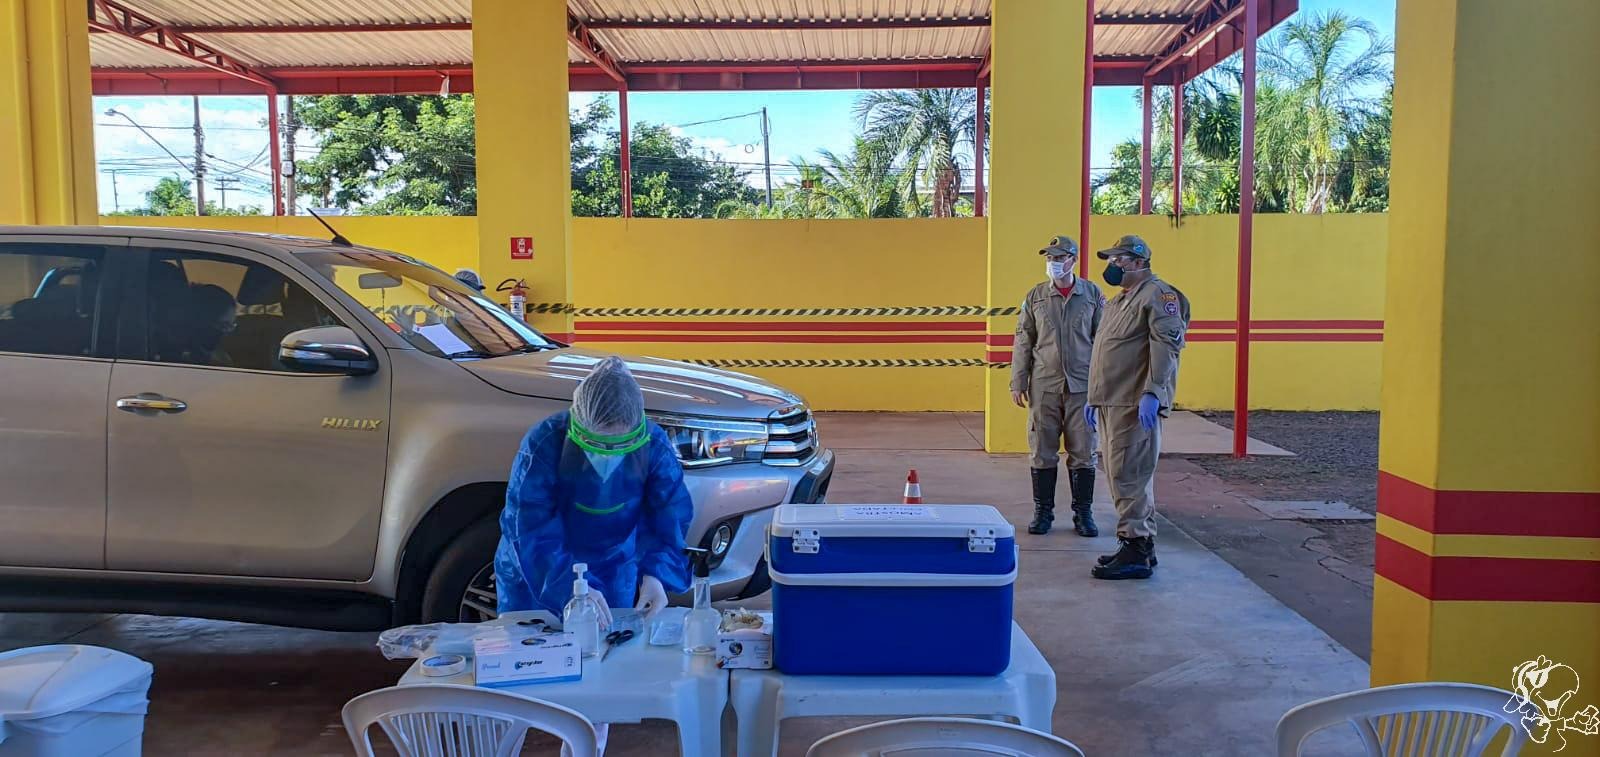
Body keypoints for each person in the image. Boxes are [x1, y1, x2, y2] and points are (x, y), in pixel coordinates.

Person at [494, 356, 693, 622]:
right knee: (533, 654)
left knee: (607, 649)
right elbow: (530, 527)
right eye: (595, 443)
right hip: (538, 570)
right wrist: (568, 586)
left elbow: (670, 517)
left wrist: (657, 574)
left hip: (613, 567)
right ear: (577, 425)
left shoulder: (653, 445)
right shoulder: (544, 443)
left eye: (619, 444)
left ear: (636, 431)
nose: (607, 453)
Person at [1085, 235, 1190, 580]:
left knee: (1130, 475)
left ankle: (1136, 548)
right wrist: (1093, 396)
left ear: (1137, 262)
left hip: (1134, 402)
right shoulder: (1121, 300)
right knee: (1120, 474)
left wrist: (1154, 392)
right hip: (1112, 400)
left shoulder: (1159, 295)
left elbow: (1167, 346)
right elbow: (1106, 351)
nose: (1112, 266)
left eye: (1118, 260)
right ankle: (1137, 544)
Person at [1011, 234, 1105, 537]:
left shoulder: (1091, 294)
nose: (1053, 263)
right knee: (1042, 450)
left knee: (1084, 450)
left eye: (1059, 257)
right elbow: (1024, 340)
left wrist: (1103, 386)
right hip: (1044, 386)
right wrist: (1018, 380)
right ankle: (1043, 512)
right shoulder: (1036, 296)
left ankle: (1083, 514)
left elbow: (1103, 343)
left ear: (1073, 260)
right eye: (1049, 258)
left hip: (1082, 388)